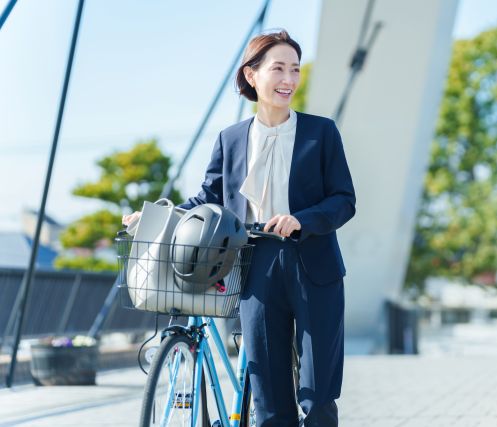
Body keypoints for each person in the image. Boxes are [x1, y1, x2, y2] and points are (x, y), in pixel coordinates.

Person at [123, 29, 356, 427]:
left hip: (313, 266)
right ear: (252, 75)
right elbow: (208, 197)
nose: (289, 79)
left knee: (318, 399)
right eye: (278, 68)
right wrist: (155, 217)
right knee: (268, 403)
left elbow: (343, 200)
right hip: (254, 267)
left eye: (295, 69)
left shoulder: (321, 132)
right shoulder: (231, 139)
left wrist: (302, 219)